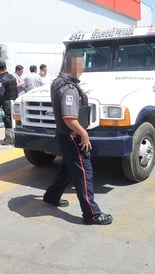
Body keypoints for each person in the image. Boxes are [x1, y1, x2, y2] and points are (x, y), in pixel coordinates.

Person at [43, 53, 112, 225]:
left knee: (67, 169)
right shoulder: (69, 89)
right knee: (83, 173)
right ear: (71, 66)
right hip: (73, 137)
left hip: (63, 135)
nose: (82, 70)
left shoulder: (57, 82)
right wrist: (84, 134)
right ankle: (91, 214)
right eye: (80, 66)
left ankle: (51, 196)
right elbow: (70, 118)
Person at [0, 61, 18, 145]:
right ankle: (14, 136)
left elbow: (1, 94)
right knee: (14, 119)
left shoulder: (2, 79)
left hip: (6, 102)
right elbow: (16, 90)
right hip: (14, 100)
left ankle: (9, 138)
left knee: (7, 120)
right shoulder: (12, 77)